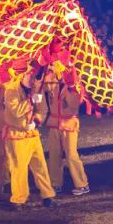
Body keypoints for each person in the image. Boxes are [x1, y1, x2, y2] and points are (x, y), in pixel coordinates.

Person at [0, 66, 57, 208]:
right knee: (19, 168)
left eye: (33, 75)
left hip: (32, 134)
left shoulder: (37, 89)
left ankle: (47, 195)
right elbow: (16, 110)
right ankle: (18, 198)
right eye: (29, 76)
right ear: (22, 76)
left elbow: (43, 110)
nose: (32, 79)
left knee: (40, 166)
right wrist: (31, 101)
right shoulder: (11, 90)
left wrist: (36, 122)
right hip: (16, 135)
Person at [42, 62, 90, 195]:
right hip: (54, 123)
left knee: (71, 155)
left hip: (69, 123)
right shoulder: (53, 81)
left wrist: (70, 88)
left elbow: (74, 104)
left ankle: (82, 184)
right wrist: (50, 74)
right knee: (54, 155)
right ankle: (55, 183)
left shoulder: (75, 85)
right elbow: (44, 88)